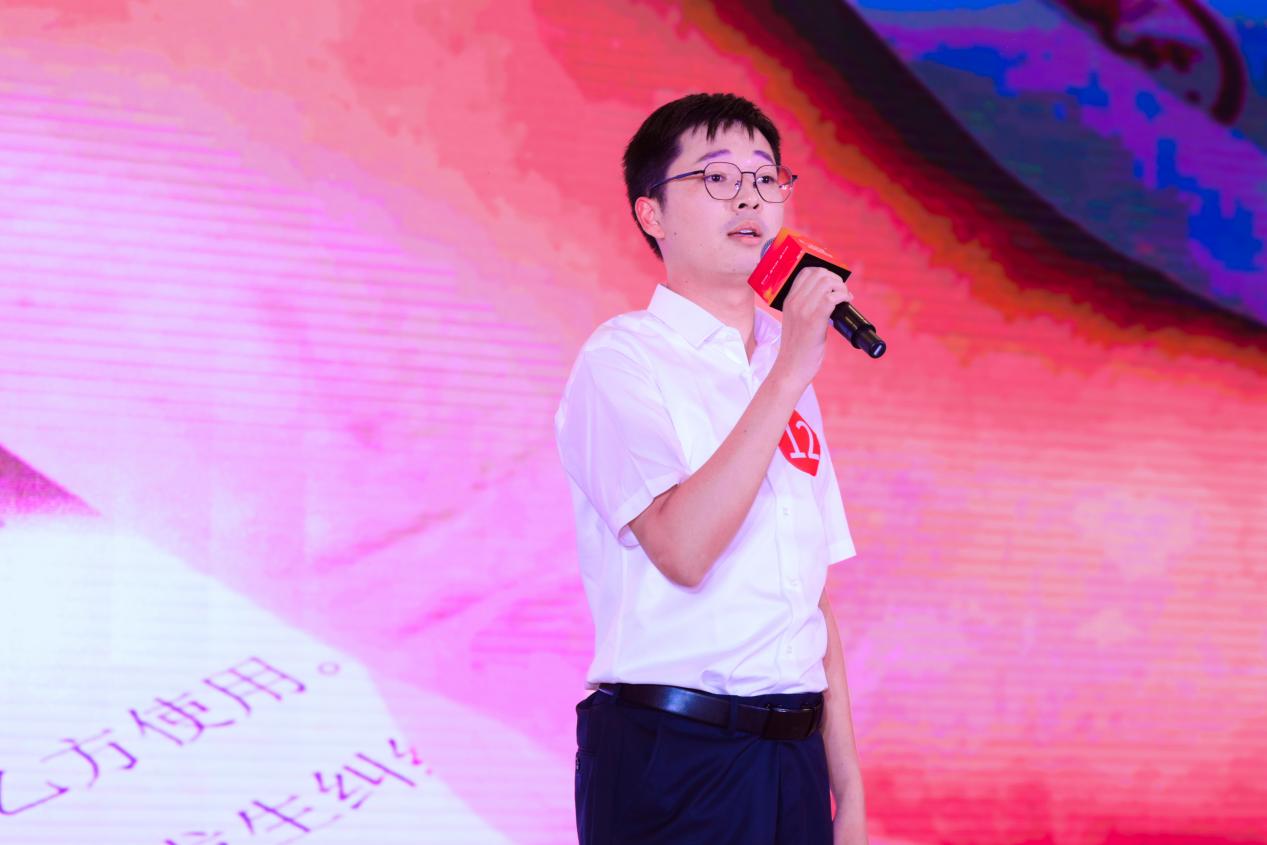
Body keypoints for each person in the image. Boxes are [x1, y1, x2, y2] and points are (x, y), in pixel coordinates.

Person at [554, 92, 867, 845]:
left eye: (766, 177)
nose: (750, 198)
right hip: (673, 755)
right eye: (718, 177)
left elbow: (810, 600)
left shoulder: (782, 361)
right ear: (652, 214)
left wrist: (849, 790)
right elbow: (683, 549)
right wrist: (787, 373)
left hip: (794, 760)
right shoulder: (622, 359)